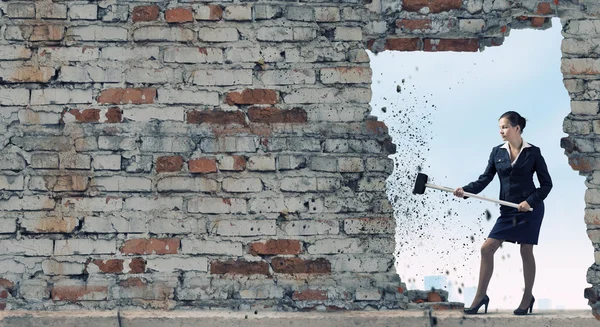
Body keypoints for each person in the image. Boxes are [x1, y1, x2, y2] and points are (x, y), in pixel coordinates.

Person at [453, 111, 552, 315]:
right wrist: (465, 191)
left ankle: (527, 297)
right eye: (499, 127)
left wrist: (529, 201)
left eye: (505, 127)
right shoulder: (496, 152)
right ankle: (481, 296)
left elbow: (546, 185)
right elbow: (485, 178)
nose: (501, 131)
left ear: (517, 128)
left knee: (526, 251)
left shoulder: (533, 152)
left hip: (530, 210)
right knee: (486, 249)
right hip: (507, 210)